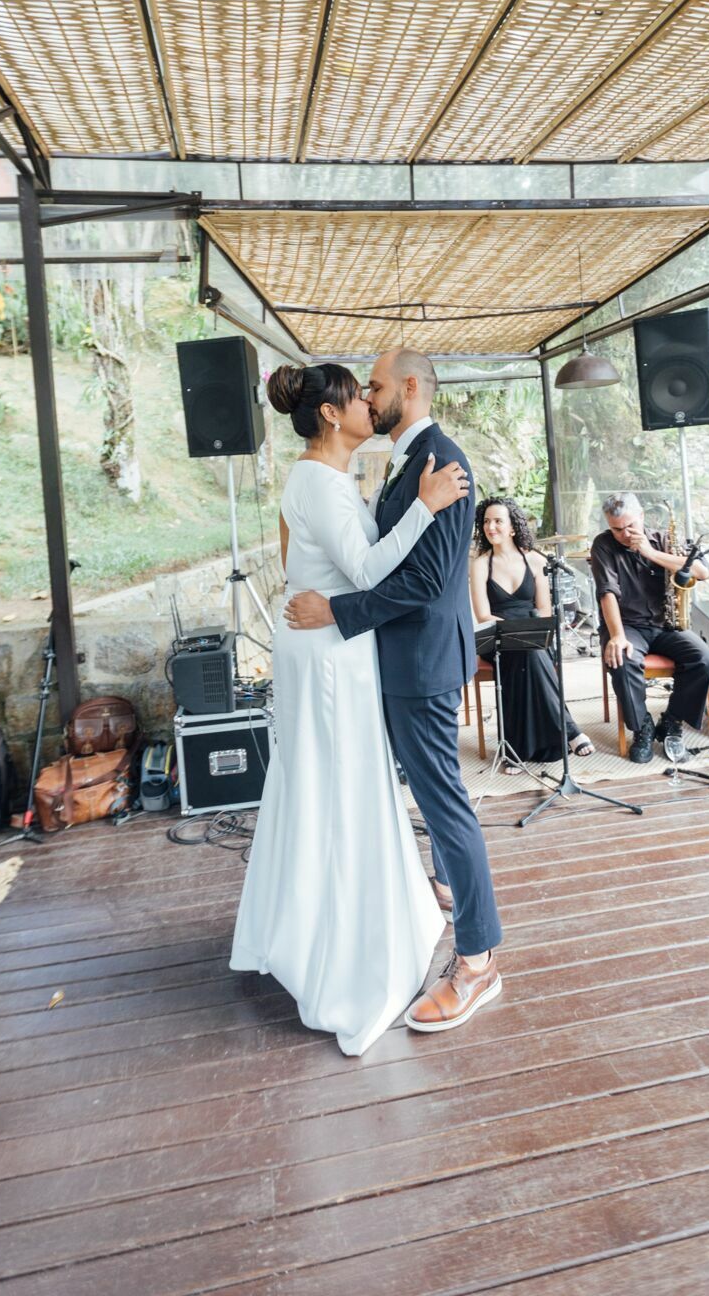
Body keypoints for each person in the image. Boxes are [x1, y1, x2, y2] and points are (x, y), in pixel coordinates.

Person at [231, 361, 470, 1055]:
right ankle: (336, 953)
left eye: (373, 390)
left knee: (340, 783)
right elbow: (365, 572)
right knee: (338, 786)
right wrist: (425, 507)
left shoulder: (325, 479)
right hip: (330, 652)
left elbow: (306, 560)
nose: (369, 402)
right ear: (331, 416)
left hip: (332, 641)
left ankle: (331, 923)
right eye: (357, 396)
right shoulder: (320, 481)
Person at [285, 348, 503, 1035]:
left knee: (445, 806)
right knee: (432, 800)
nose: (368, 397)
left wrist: (337, 613)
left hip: (422, 664)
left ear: (408, 387)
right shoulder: (405, 462)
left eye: (375, 385)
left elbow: (427, 583)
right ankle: (441, 891)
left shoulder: (439, 458)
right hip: (399, 660)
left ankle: (476, 960)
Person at [590, 492, 709, 766]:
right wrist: (617, 635)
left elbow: (701, 572)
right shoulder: (602, 544)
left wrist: (649, 552)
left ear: (642, 517)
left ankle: (672, 721)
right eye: (617, 529)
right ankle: (642, 728)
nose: (624, 534)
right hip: (627, 625)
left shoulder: (663, 539)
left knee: (707, 661)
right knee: (622, 660)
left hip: (667, 624)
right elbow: (607, 592)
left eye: (630, 526)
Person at [469, 497, 593, 769]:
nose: (491, 527)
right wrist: (514, 631)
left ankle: (516, 750)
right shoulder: (480, 565)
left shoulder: (535, 560)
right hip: (497, 636)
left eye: (498, 521)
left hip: (533, 633)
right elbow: (482, 614)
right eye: (487, 521)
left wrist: (529, 630)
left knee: (531, 651)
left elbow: (544, 610)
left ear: (513, 527)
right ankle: (570, 732)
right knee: (528, 652)